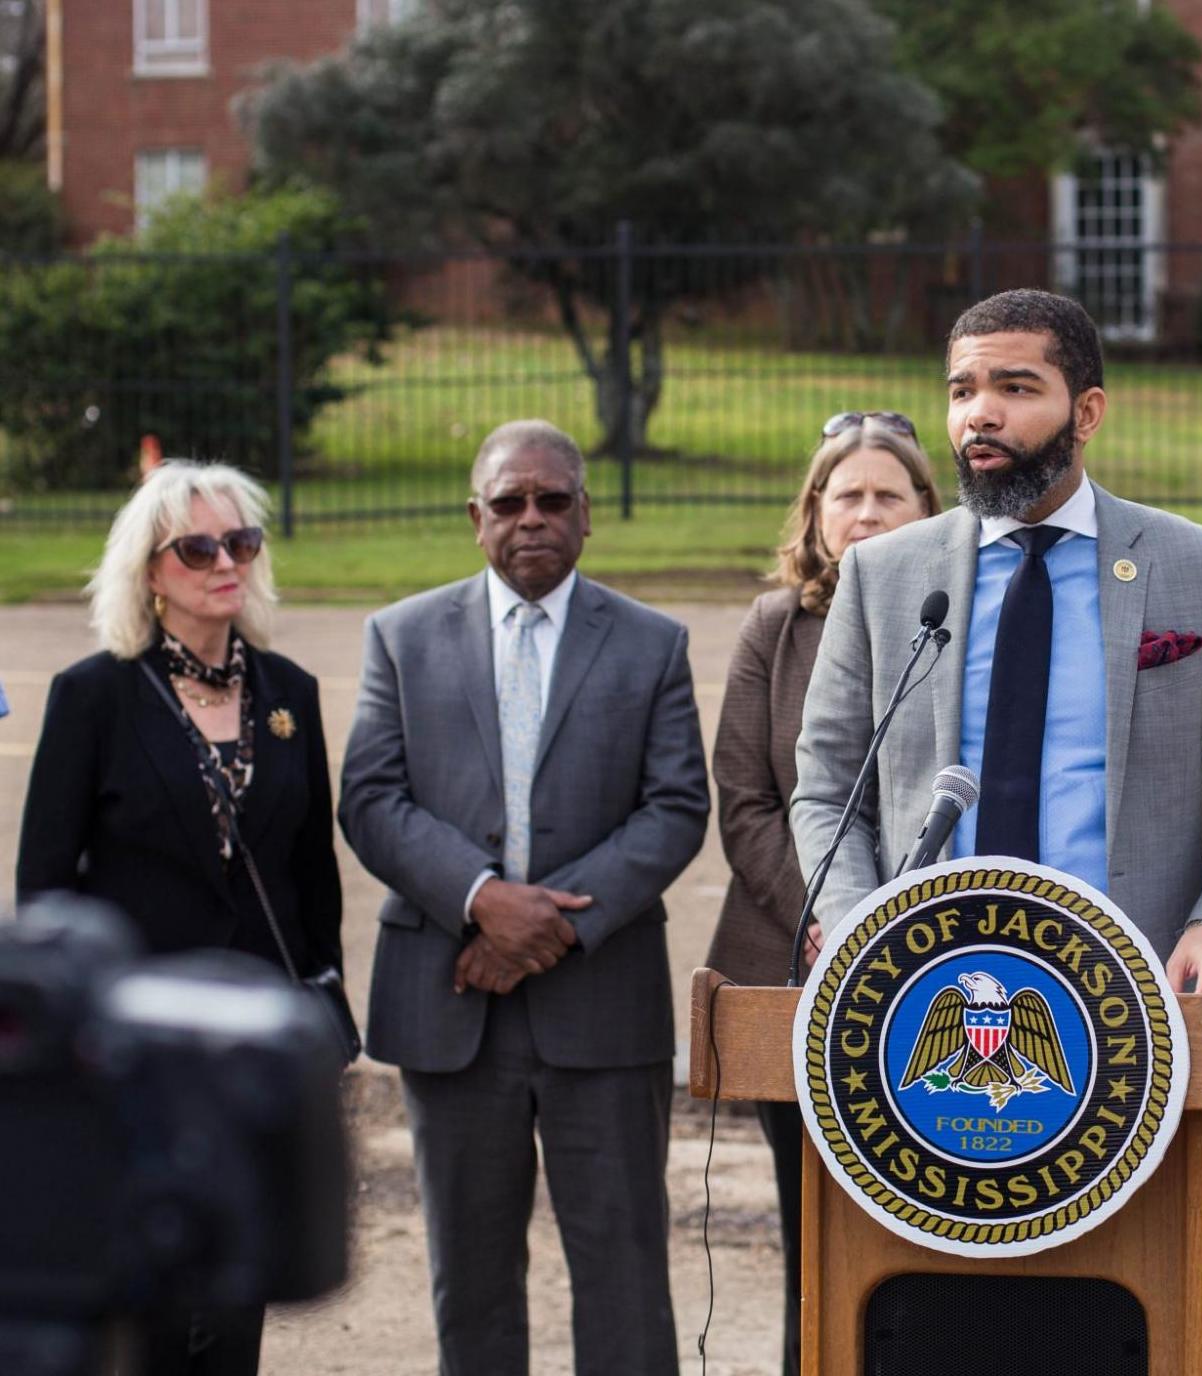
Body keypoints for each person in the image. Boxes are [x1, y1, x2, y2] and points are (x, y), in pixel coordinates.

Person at [790, 289, 1202, 991]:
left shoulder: (1198, 568)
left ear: (1086, 412)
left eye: (1015, 388)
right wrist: (862, 929)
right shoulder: (881, 574)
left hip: (1135, 984)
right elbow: (827, 791)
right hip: (923, 980)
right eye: (963, 391)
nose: (980, 414)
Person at [339, 419, 709, 1376]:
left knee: (626, 1273)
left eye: (553, 501)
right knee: (470, 1277)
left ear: (586, 516)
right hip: (450, 1004)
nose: (531, 519)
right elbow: (371, 799)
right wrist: (479, 899)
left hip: (604, 1007)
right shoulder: (402, 637)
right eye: (510, 502)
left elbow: (676, 809)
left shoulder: (652, 644)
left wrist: (541, 927)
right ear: (476, 518)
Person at [16, 459, 342, 1376]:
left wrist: (323, 998)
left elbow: (311, 872)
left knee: (234, 1298)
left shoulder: (290, 696)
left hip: (241, 1050)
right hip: (131, 1052)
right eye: (197, 548)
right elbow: (44, 885)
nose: (224, 562)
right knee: (137, 1305)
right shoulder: (94, 696)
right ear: (152, 573)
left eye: (240, 542)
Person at [703, 410, 941, 1375]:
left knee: (924, 1225)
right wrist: (830, 919)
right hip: (793, 964)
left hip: (933, 969)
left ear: (931, 509)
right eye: (849, 495)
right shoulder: (775, 627)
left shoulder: (957, 614)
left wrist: (894, 926)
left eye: (893, 494)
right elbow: (745, 797)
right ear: (815, 513)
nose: (870, 512)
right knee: (816, 1230)